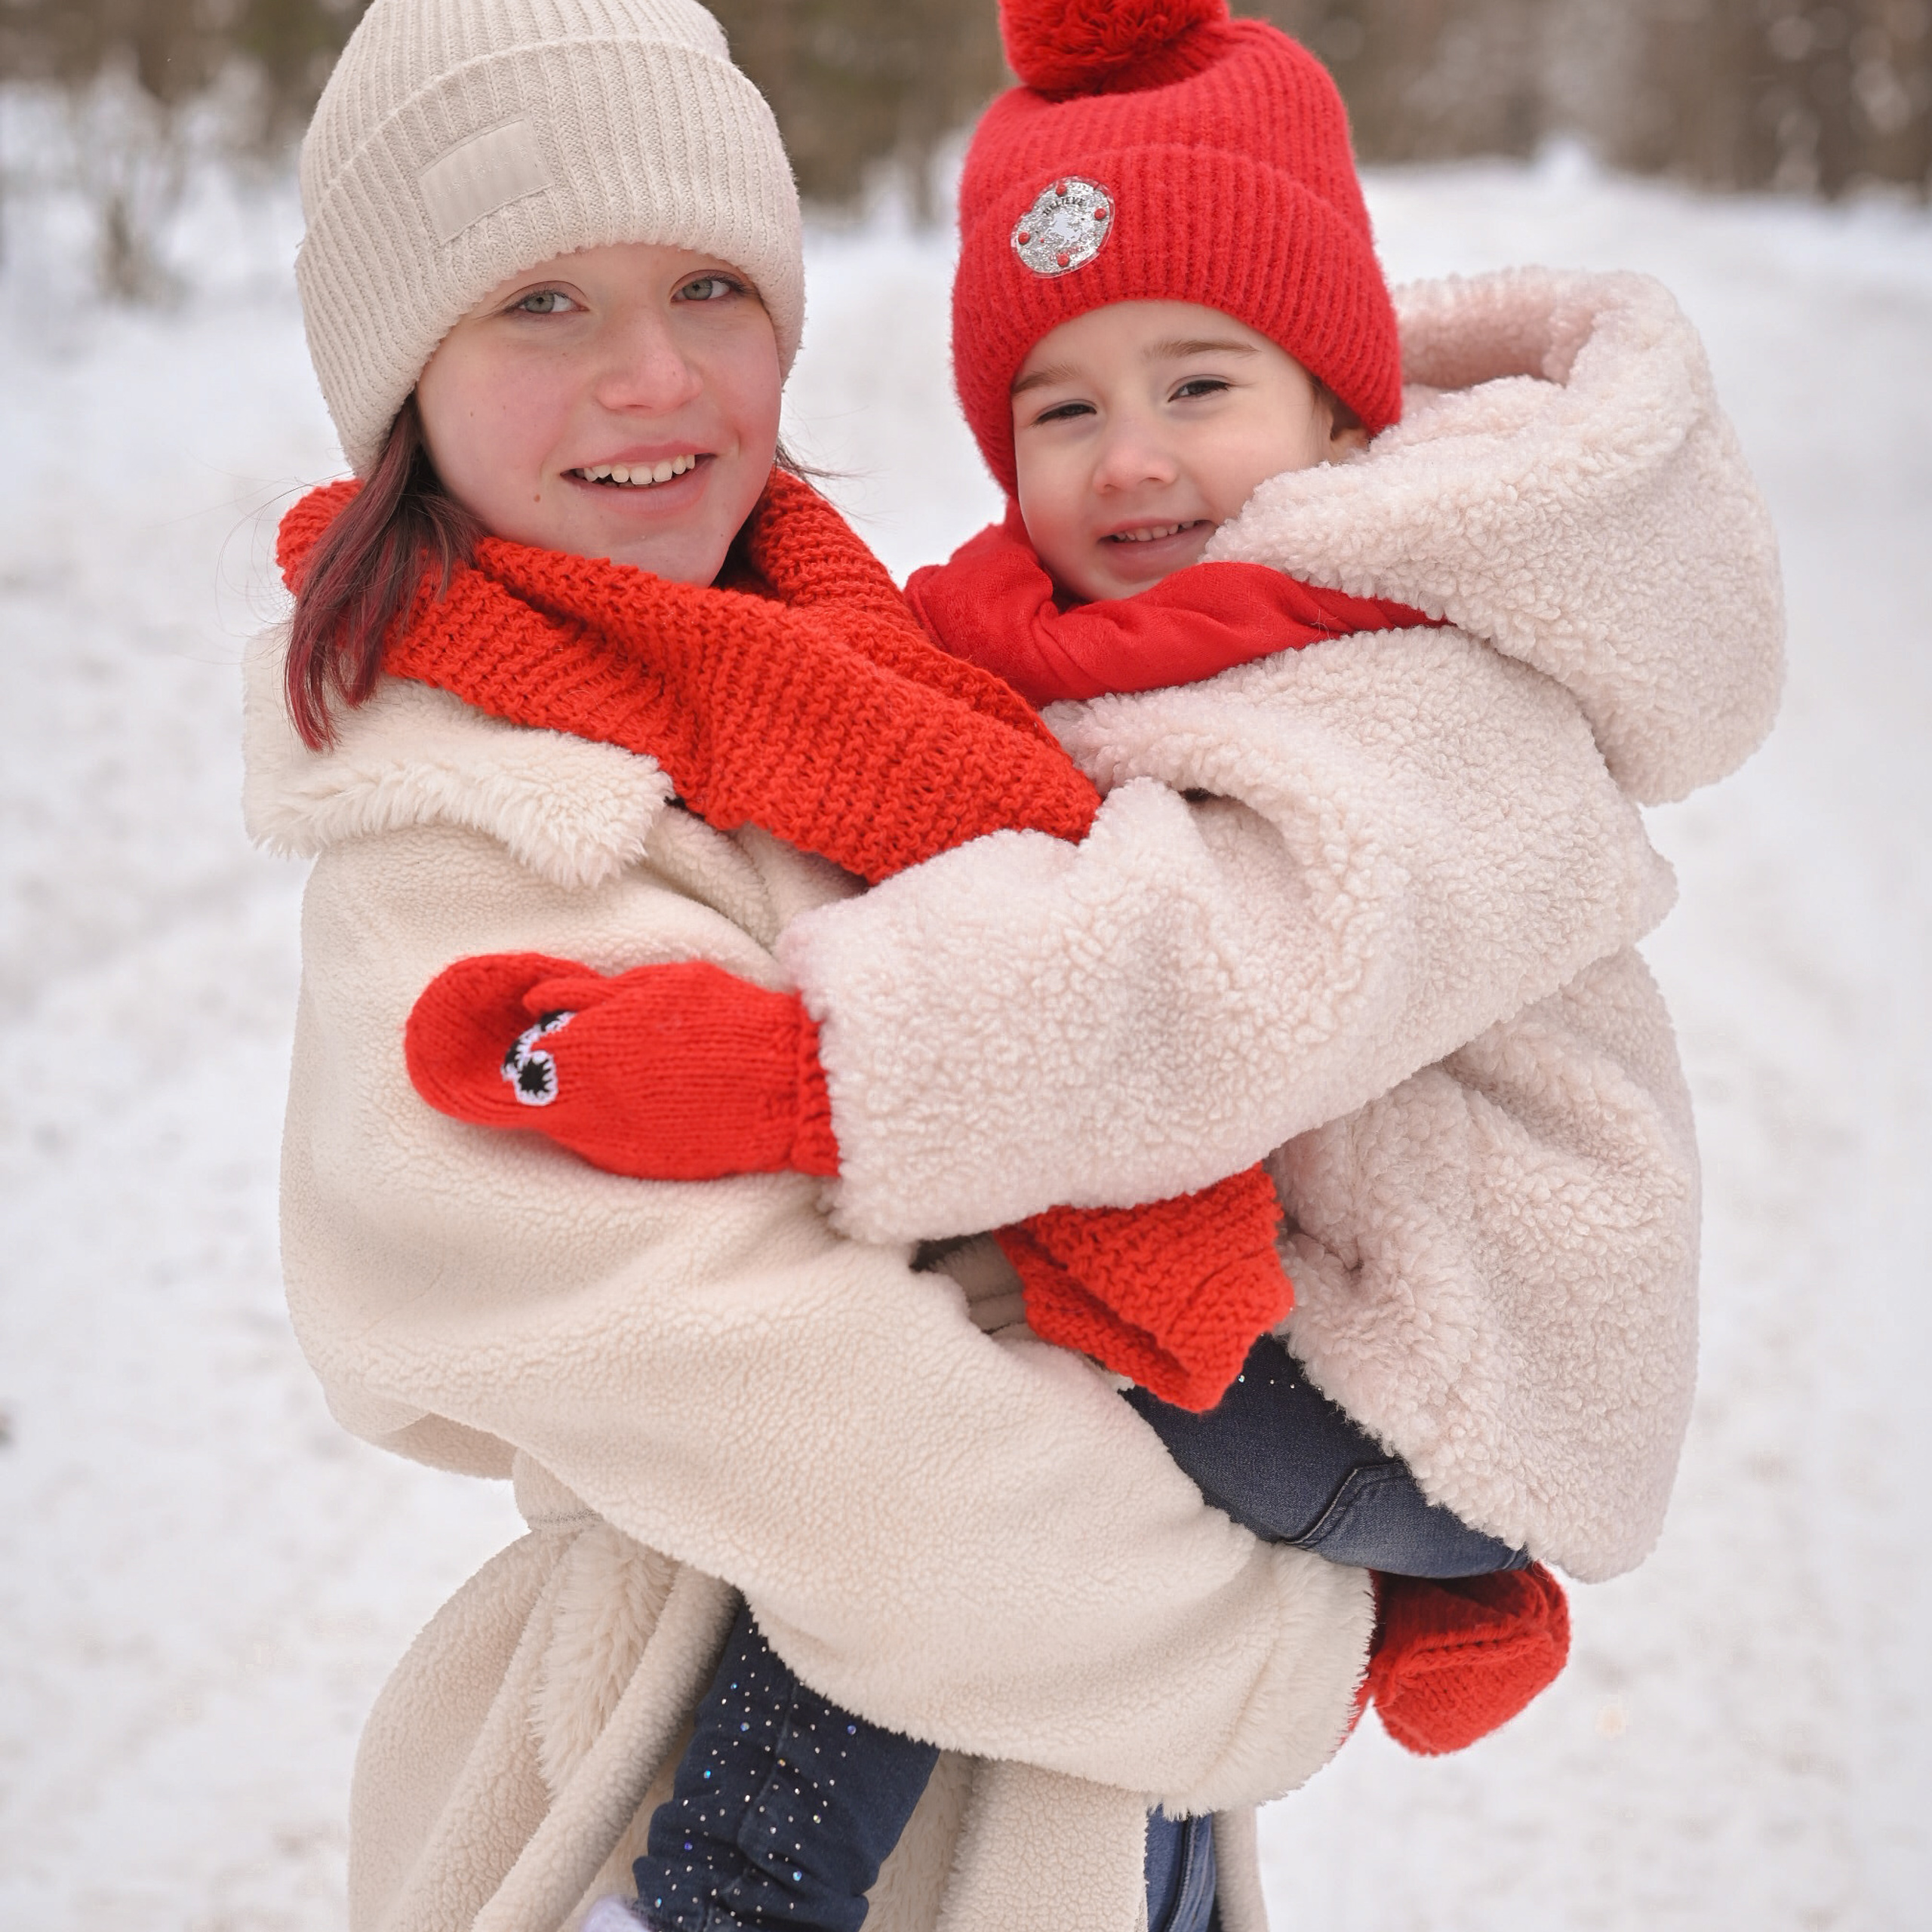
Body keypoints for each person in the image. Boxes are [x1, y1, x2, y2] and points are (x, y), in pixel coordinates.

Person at [250, 3, 1780, 1931]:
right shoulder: (469, 829)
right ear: (398, 372)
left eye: (707, 284)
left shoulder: (839, 666)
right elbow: (845, 1455)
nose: (647, 377)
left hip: (1091, 1812)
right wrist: (1283, 1649)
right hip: (835, 1788)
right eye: (538, 301)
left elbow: (1175, 988)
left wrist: (813, 1069)